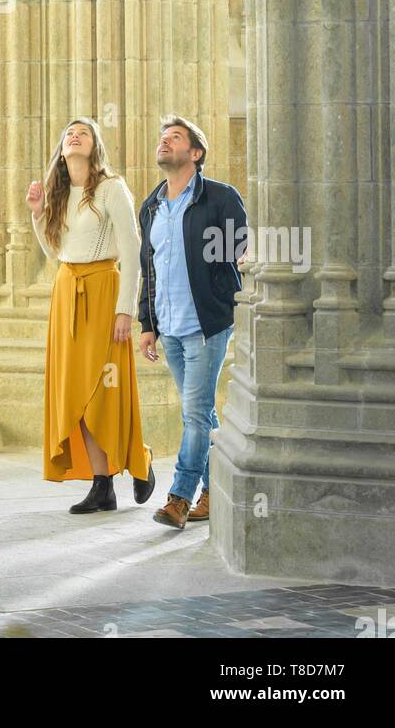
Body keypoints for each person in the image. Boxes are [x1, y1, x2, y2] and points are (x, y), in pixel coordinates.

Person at [27, 117, 156, 513]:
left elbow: (133, 252)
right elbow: (56, 253)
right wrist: (36, 214)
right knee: (75, 393)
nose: (74, 135)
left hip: (103, 290)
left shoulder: (111, 188)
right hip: (67, 291)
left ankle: (139, 460)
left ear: (94, 144)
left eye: (83, 132)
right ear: (62, 150)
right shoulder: (59, 194)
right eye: (69, 132)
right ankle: (102, 485)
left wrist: (126, 311)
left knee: (106, 389)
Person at [137, 115, 247, 530]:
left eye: (175, 138)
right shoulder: (151, 206)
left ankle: (179, 498)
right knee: (200, 413)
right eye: (162, 137)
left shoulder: (219, 197)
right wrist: (147, 322)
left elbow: (239, 249)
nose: (165, 142)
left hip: (207, 323)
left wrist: (225, 290)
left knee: (195, 413)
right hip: (170, 326)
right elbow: (150, 269)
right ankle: (217, 493)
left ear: (195, 154)